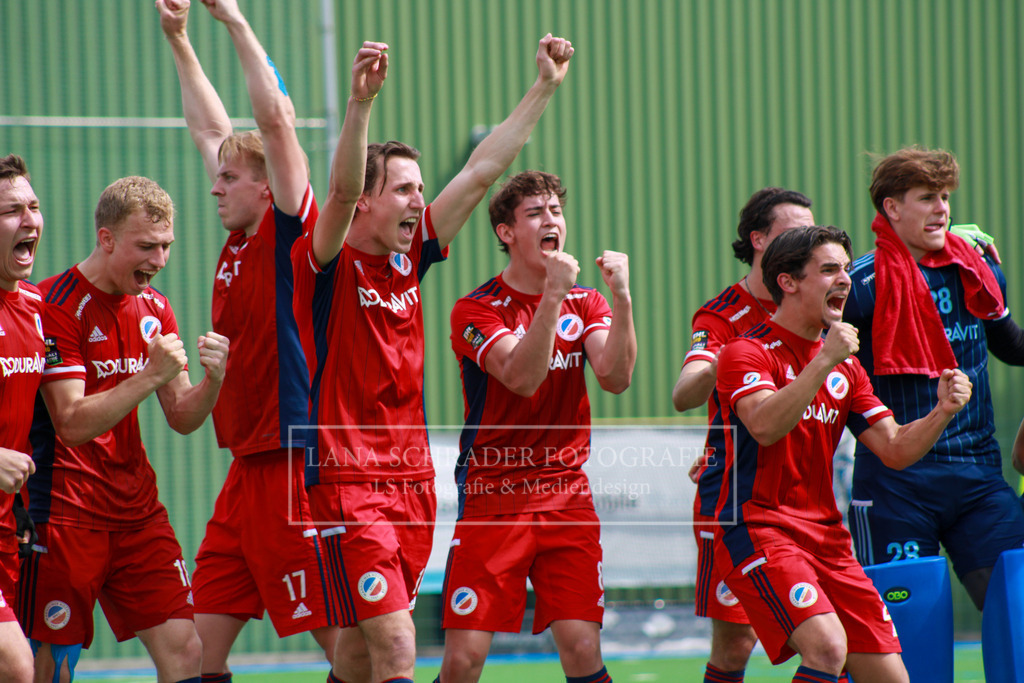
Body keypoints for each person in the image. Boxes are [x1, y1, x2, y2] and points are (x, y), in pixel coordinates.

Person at [291, 33, 573, 683]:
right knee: (397, 645)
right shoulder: (328, 261)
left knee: (356, 655)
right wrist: (360, 104)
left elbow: (480, 171)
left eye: (420, 188)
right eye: (403, 189)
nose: (419, 200)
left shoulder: (409, 257)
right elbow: (339, 192)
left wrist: (544, 87)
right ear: (366, 201)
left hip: (413, 482)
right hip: (346, 479)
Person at [157, 0, 337, 677]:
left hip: (290, 462)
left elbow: (277, 121)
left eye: (230, 178)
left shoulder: (290, 230)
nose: (216, 188)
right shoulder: (237, 237)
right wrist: (179, 37)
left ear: (269, 188)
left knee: (345, 644)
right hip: (245, 468)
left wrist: (233, 20)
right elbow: (209, 127)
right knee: (196, 650)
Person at [714, 225, 971, 682]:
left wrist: (943, 412)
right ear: (788, 282)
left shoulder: (847, 367)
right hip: (761, 529)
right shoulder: (745, 351)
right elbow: (765, 427)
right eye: (829, 269)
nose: (846, 279)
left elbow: (894, 449)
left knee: (892, 678)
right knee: (828, 648)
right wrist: (823, 361)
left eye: (847, 269)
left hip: (830, 542)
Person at [18, 176, 229, 683]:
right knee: (50, 667)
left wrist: (215, 381)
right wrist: (149, 375)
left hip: (138, 515)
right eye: (147, 246)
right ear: (107, 238)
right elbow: (71, 423)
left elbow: (182, 416)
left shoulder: (154, 307)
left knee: (187, 651)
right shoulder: (54, 304)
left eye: (166, 246)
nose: (160, 260)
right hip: (64, 515)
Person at [437, 170, 636, 683]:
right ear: (506, 232)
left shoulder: (585, 301)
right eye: (535, 213)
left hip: (565, 492)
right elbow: (522, 378)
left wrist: (622, 299)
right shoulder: (475, 309)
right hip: (494, 492)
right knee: (463, 661)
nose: (551, 221)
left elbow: (615, 377)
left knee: (583, 648)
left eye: (556, 211)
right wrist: (551, 297)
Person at [842, 147, 1024, 611]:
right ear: (891, 207)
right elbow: (820, 371)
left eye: (945, 197)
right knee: (907, 636)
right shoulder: (858, 286)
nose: (941, 208)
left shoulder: (978, 268)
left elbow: (1011, 348)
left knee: (1016, 614)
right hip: (894, 486)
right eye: (927, 197)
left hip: (979, 477)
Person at [672, 187, 813, 682]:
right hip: (737, 496)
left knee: (833, 637)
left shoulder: (822, 303)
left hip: (807, 495)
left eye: (810, 232)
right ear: (758, 240)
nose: (806, 242)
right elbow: (685, 393)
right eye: (793, 231)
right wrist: (727, 359)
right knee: (736, 644)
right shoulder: (722, 315)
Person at [0, 155, 46, 683]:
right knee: (17, 665)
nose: (30, 219)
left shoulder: (35, 305)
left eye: (33, 206)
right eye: (13, 211)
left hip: (7, 528)